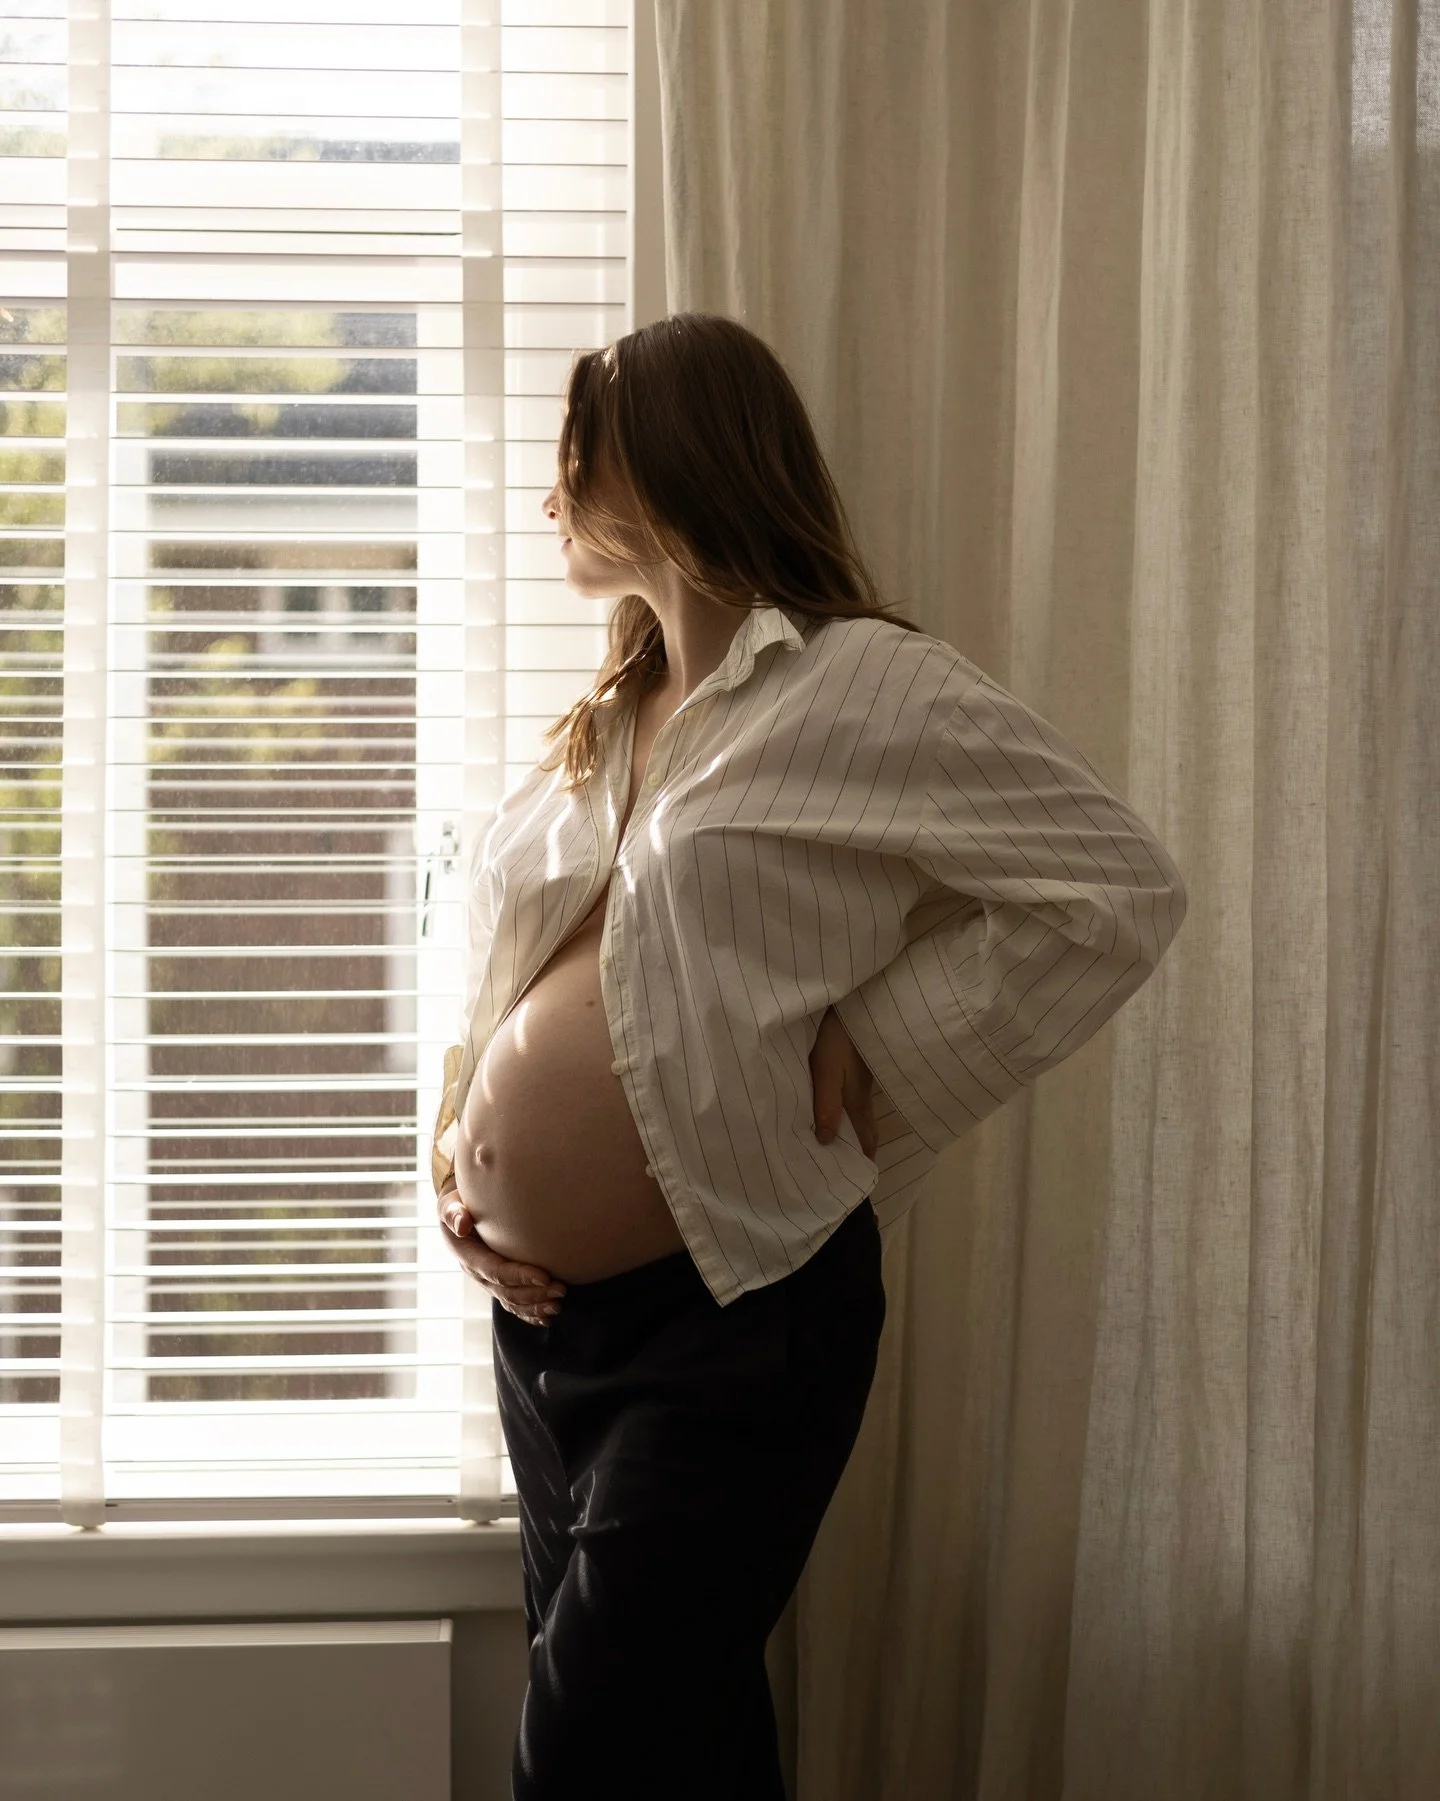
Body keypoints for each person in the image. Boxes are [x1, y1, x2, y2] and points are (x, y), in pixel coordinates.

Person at [431, 312, 1186, 1799]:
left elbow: (1118, 887)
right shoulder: (606, 718)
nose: (547, 495)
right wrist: (457, 1161)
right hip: (547, 1330)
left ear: (663, 461)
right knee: (686, 1744)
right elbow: (507, 973)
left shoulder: (864, 689)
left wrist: (880, 1030)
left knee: (587, 1757)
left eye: (573, 459)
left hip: (739, 1316)